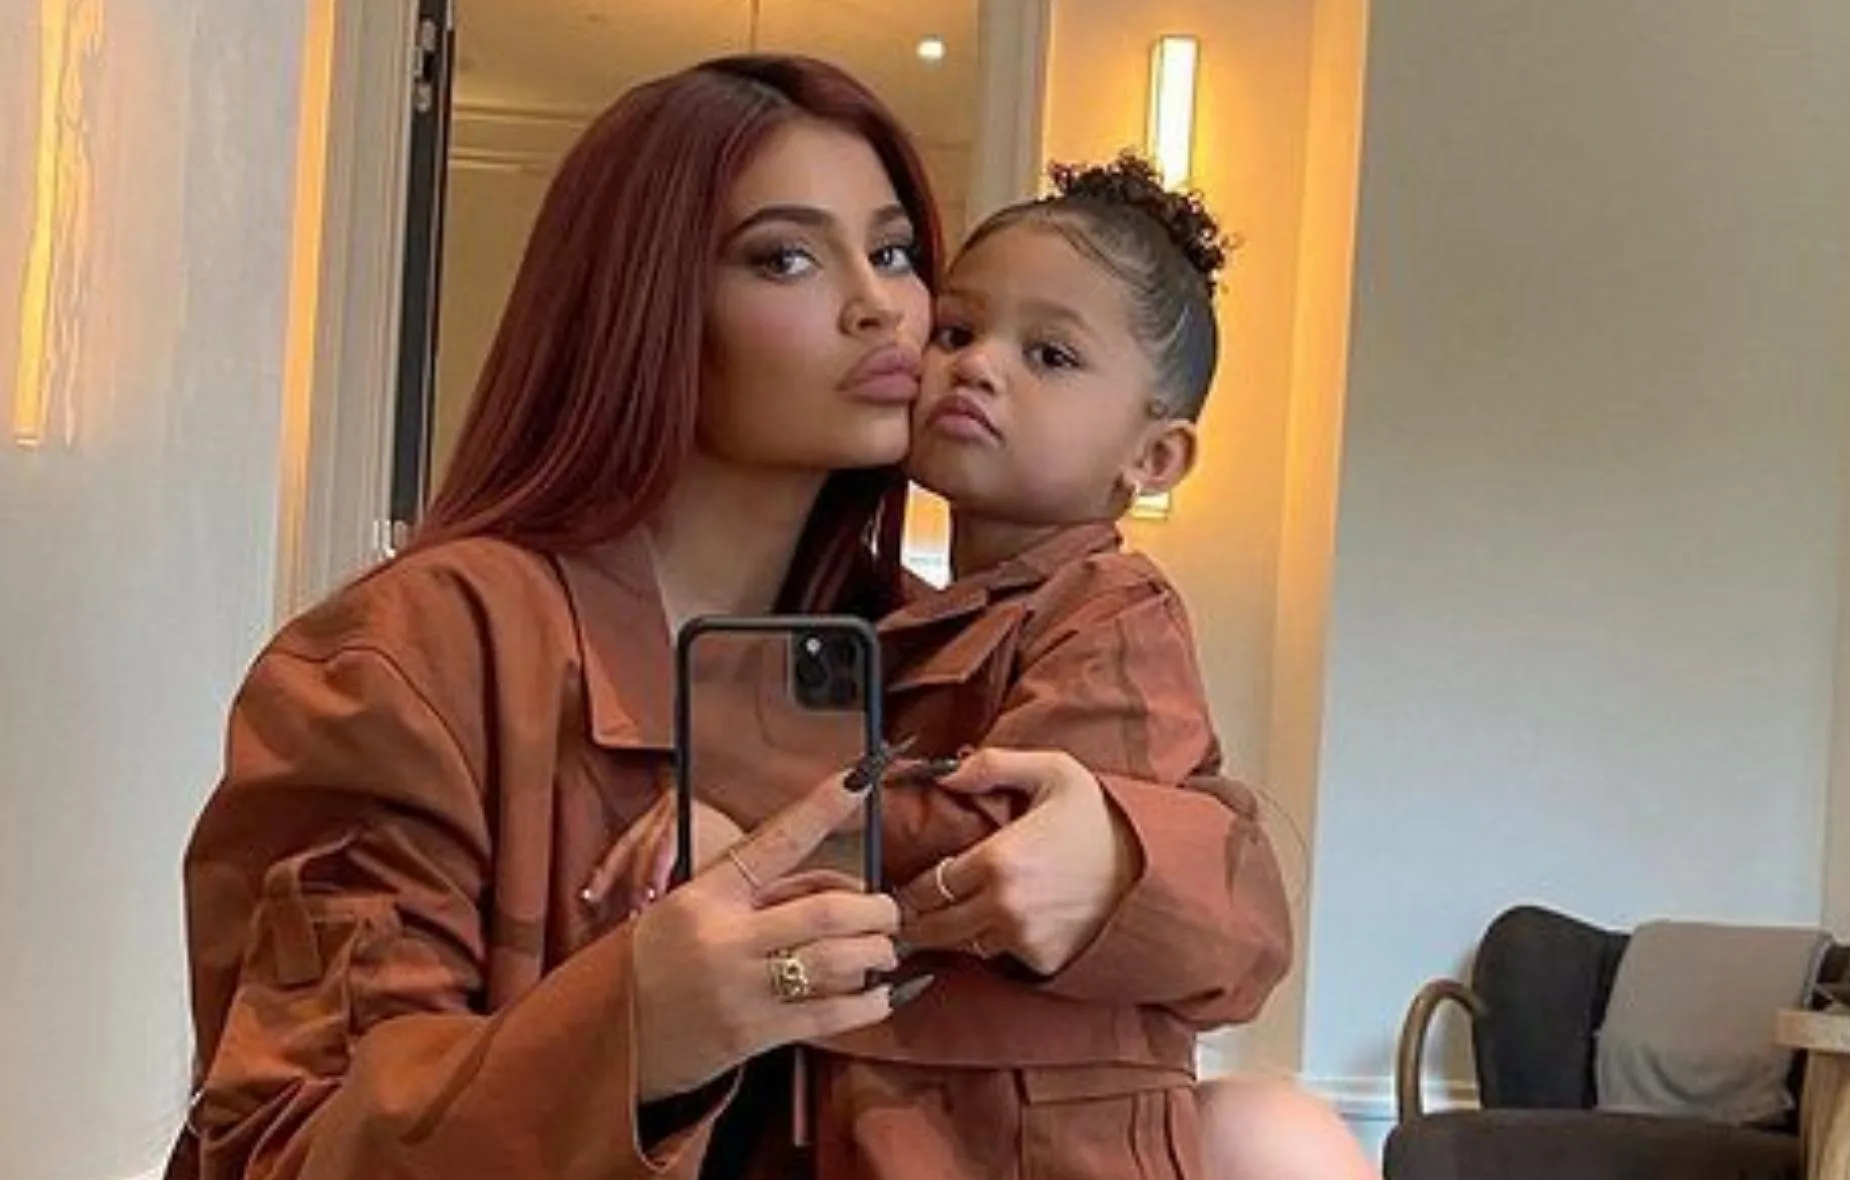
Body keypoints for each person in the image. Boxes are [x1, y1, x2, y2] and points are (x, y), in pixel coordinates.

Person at [166, 54, 1303, 1180]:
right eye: (789, 257)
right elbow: (283, 1147)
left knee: (1270, 1134)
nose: (885, 308)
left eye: (899, 253)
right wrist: (640, 1030)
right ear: (643, 302)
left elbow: (1243, 920)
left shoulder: (929, 642)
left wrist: (1115, 860)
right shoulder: (418, 655)